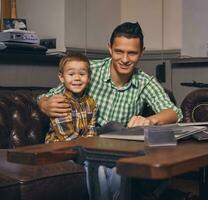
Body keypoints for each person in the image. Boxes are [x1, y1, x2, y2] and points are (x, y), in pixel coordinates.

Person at [38, 22, 183, 200]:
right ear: (110, 49)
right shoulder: (88, 71)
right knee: (114, 129)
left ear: (142, 53)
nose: (124, 59)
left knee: (126, 134)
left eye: (132, 53)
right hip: (85, 139)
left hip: (117, 144)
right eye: (119, 51)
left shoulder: (145, 82)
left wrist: (150, 120)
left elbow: (175, 113)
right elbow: (49, 95)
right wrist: (44, 104)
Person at [45, 53, 97, 143]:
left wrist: (90, 145)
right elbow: (66, 136)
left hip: (82, 146)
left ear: (89, 78)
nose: (77, 78)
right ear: (61, 77)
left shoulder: (91, 102)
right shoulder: (60, 103)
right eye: (71, 74)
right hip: (57, 148)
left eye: (82, 74)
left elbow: (91, 130)